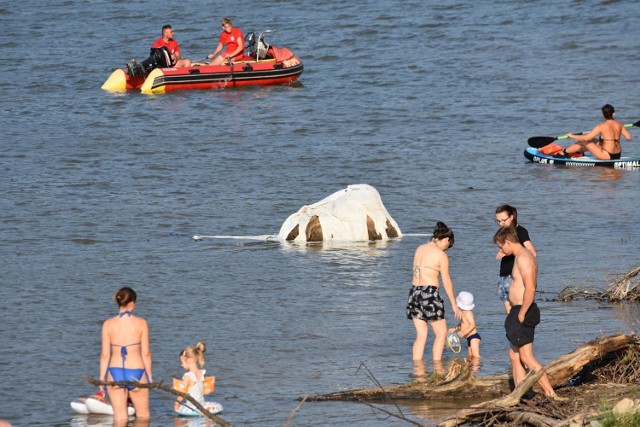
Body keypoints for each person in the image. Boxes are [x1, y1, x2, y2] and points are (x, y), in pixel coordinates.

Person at [493, 227, 564, 401]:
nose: (500, 251)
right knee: (514, 354)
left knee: (526, 356)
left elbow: (531, 288)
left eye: (501, 247)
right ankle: (519, 393)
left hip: (524, 310)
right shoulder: (519, 257)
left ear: (508, 242)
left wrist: (522, 313)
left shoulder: (524, 258)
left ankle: (550, 393)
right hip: (518, 310)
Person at [407, 221, 462, 365]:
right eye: (447, 246)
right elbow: (446, 281)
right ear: (446, 239)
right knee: (441, 334)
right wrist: (454, 305)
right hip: (429, 293)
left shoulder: (419, 248)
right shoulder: (440, 255)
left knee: (421, 335)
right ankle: (438, 369)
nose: (446, 249)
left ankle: (418, 371)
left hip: (414, 293)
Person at [100, 287, 153, 424]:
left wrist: (102, 380)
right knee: (143, 416)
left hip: (114, 372)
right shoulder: (141, 323)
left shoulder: (108, 324)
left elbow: (105, 355)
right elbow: (146, 354)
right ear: (131, 303)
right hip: (137, 372)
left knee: (120, 418)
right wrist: (149, 377)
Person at [495, 205, 536, 314]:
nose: (500, 224)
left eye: (503, 220)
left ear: (512, 217)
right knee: (509, 313)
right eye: (498, 221)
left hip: (514, 277)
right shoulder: (503, 233)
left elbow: (532, 252)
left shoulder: (520, 231)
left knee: (517, 311)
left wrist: (510, 254)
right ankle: (510, 329)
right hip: (503, 275)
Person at [563, 104, 632, 160]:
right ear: (614, 114)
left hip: (606, 155)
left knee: (583, 141)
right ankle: (579, 152)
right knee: (592, 139)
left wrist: (572, 136)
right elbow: (628, 137)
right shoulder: (620, 124)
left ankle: (564, 153)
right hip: (617, 155)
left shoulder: (601, 126)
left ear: (602, 115)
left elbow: (586, 138)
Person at [173, 342, 223, 416]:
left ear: (189, 360)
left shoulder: (188, 376)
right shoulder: (201, 374)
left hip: (192, 407)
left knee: (179, 423)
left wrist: (176, 403)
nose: (181, 365)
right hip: (202, 405)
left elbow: (182, 393)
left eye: (182, 362)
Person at [448, 291, 481, 359]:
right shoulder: (463, 313)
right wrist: (455, 328)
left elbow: (473, 324)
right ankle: (471, 368)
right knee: (469, 354)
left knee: (475, 355)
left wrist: (464, 332)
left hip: (474, 337)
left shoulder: (468, 313)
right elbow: (463, 324)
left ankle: (477, 368)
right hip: (469, 338)